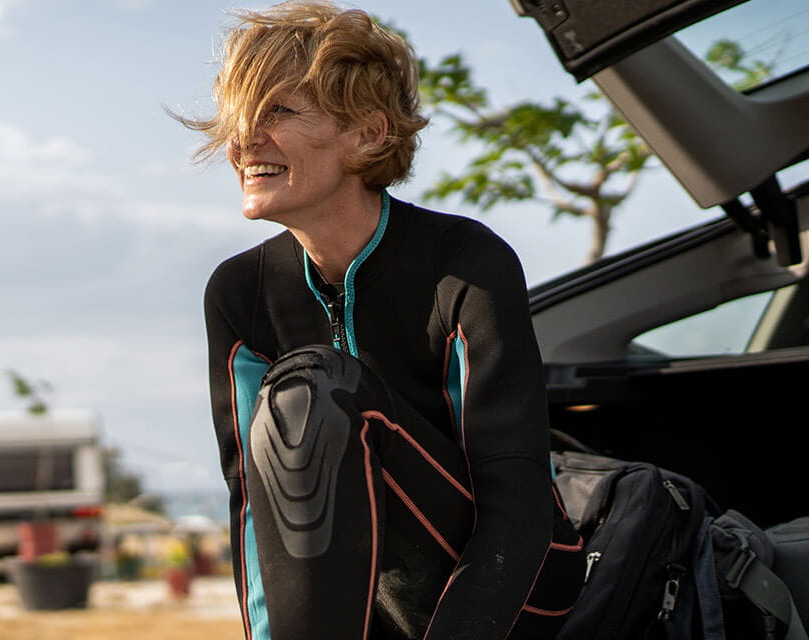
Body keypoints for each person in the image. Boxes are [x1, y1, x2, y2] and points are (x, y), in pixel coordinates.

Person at [177, 2, 587, 639]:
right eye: (238, 119)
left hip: (514, 593)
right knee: (307, 400)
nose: (242, 141)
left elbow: (519, 502)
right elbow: (253, 509)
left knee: (312, 393)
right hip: (367, 598)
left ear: (368, 134)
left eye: (277, 111)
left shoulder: (466, 265)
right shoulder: (239, 293)